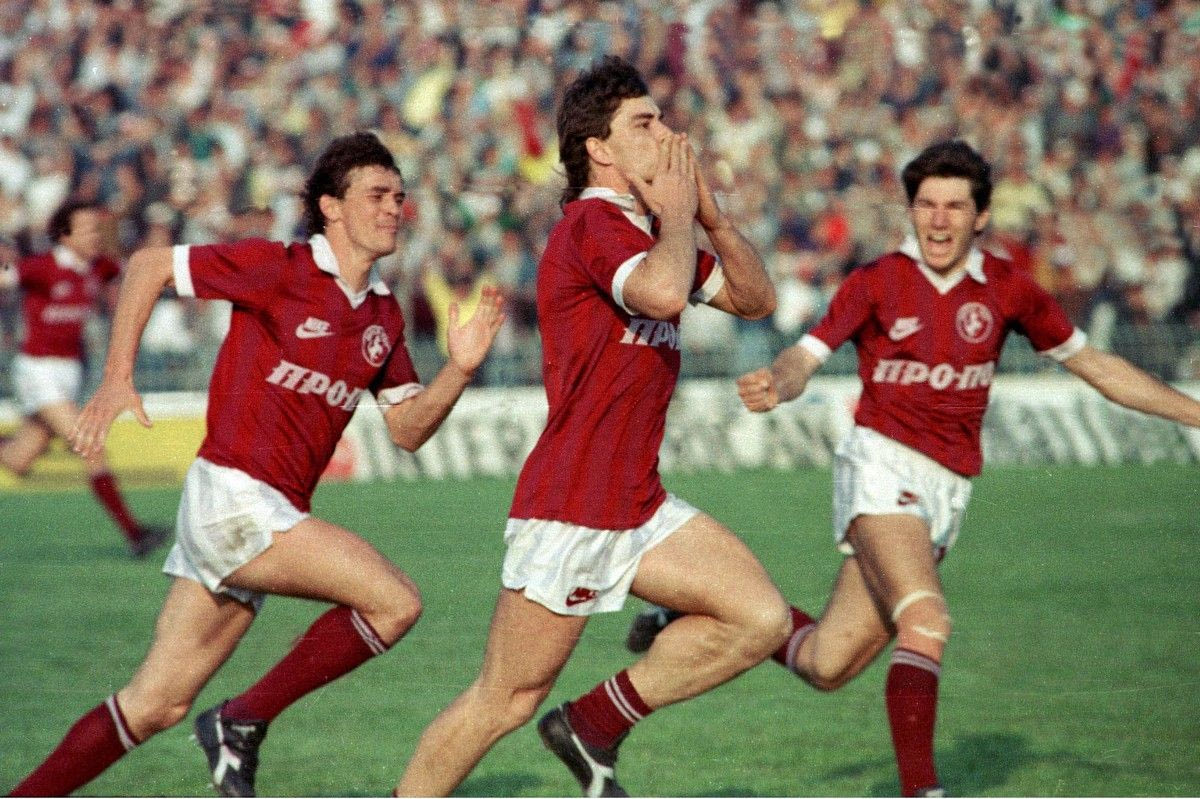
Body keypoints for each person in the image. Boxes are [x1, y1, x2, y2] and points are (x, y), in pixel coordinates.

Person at [630, 140, 1200, 797]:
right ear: (910, 211)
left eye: (954, 206)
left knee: (827, 663)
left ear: (980, 216)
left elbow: (1099, 367)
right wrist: (778, 384)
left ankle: (686, 615)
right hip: (880, 468)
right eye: (926, 204)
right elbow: (805, 356)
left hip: (946, 490)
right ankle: (922, 790)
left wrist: (1193, 413)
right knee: (926, 618)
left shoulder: (1009, 290)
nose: (938, 219)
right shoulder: (877, 281)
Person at [6, 131, 505, 798]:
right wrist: (119, 375)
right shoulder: (280, 267)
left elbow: (408, 429)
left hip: (267, 511)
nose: (395, 207)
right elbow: (149, 265)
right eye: (378, 195)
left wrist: (459, 370)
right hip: (233, 498)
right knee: (395, 602)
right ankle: (241, 721)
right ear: (331, 206)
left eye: (399, 196)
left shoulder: (383, 312)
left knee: (154, 704)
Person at [393, 55, 790, 798]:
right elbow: (664, 294)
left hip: (637, 502)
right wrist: (680, 218)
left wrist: (711, 217)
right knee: (504, 700)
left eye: (661, 119)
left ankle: (592, 722)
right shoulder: (592, 226)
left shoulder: (651, 229)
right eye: (645, 124)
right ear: (599, 149)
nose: (666, 135)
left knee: (760, 618)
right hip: (572, 509)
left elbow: (755, 299)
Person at [0, 201, 168, 558]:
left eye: (97, 228)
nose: (95, 235)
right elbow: (6, 275)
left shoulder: (99, 267)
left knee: (18, 460)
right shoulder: (41, 266)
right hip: (39, 370)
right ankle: (135, 535)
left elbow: (136, 268)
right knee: (89, 444)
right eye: (88, 229)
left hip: (70, 373)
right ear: (64, 235)